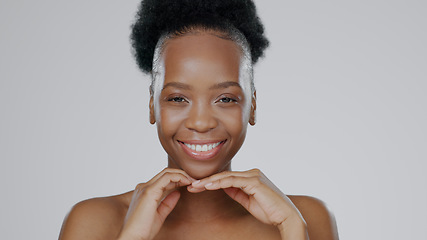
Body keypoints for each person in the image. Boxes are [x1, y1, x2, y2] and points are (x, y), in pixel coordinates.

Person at [59, 0, 339, 239]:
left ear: (252, 106)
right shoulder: (94, 223)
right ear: (152, 105)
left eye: (225, 99)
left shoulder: (305, 217)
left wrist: (292, 229)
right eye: (178, 98)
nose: (201, 122)